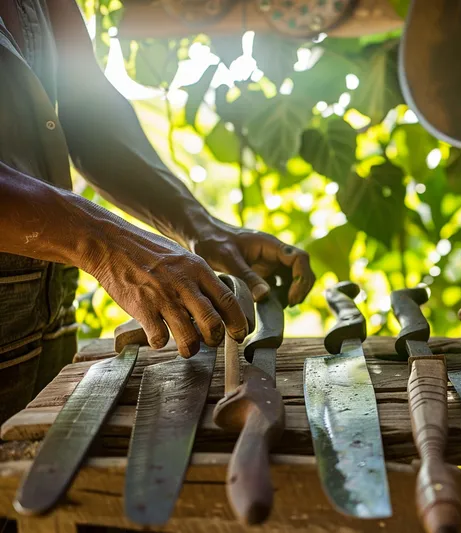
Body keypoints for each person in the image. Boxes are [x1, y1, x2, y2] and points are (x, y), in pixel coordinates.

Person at [0, 0, 316, 422]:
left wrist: (201, 228)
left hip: (46, 304)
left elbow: (90, 118)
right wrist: (105, 244)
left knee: (31, 472)